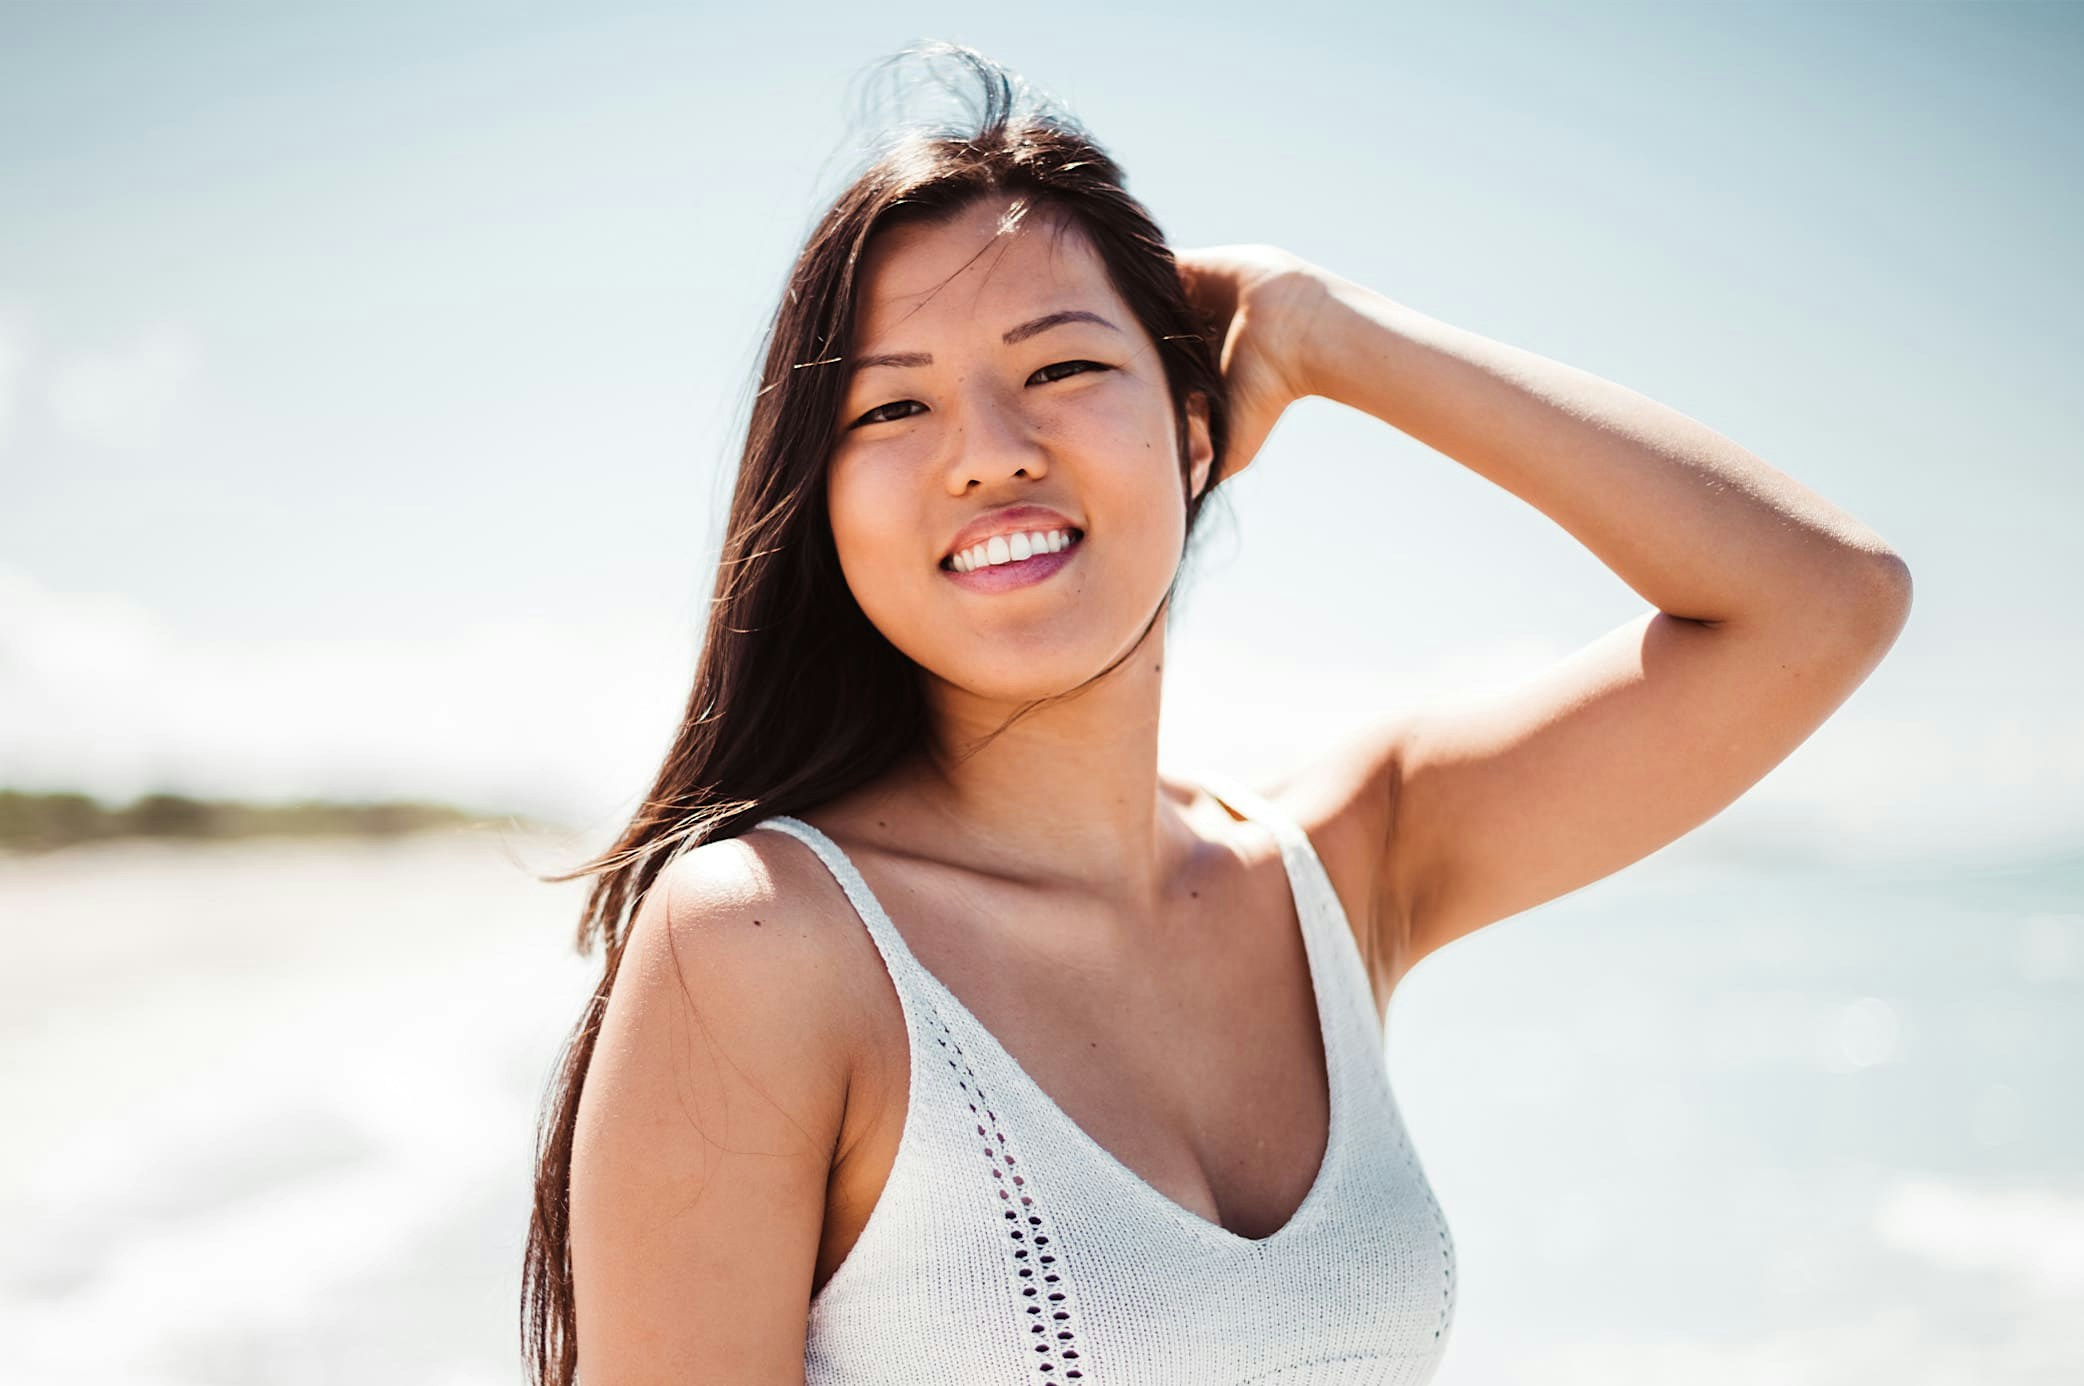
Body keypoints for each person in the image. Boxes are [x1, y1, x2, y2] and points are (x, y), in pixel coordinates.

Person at [521, 41, 1913, 1386]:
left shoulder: (1342, 869)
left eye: (1062, 368)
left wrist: (1325, 333)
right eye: (892, 410)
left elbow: (1823, 599)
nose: (992, 452)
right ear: (820, 502)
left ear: (1196, 434)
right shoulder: (760, 942)